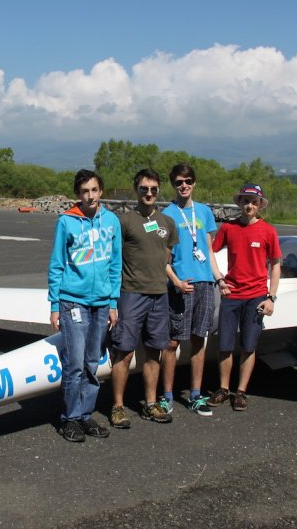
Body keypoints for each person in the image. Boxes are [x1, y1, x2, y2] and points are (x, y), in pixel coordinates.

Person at [48, 169, 123, 442]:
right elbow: (57, 264)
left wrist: (113, 302)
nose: (90, 196)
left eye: (94, 190)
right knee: (75, 363)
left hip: (101, 303)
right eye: (84, 192)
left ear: (100, 191)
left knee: (92, 362)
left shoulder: (111, 221)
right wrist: (55, 305)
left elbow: (115, 264)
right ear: (78, 195)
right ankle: (70, 418)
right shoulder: (66, 221)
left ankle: (85, 415)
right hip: (73, 302)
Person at [109, 168, 178, 429]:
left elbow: (166, 256)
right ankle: (117, 406)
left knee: (154, 352)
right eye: (144, 189)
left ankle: (151, 404)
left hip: (159, 295)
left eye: (153, 189)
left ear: (158, 190)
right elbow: (114, 258)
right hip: (131, 294)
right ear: (136, 190)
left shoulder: (167, 222)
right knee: (124, 352)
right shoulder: (125, 221)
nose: (149, 193)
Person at [207, 183, 281, 412]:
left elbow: (276, 265)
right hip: (232, 294)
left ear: (260, 205)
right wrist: (219, 279)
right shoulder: (229, 228)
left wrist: (271, 298)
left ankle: (240, 392)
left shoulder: (268, 231)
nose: (249, 205)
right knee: (225, 345)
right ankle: (223, 388)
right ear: (239, 203)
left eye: (254, 202)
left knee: (249, 346)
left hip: (256, 296)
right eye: (246, 201)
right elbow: (210, 252)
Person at [160, 163, 222, 416]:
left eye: (187, 181)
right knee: (172, 342)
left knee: (199, 339)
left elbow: (208, 250)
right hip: (180, 285)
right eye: (178, 182)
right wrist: (176, 281)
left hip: (205, 283)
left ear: (194, 183)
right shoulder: (167, 215)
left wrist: (219, 278)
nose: (183, 186)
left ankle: (196, 395)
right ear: (173, 185)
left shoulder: (204, 212)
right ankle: (166, 396)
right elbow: (162, 258)